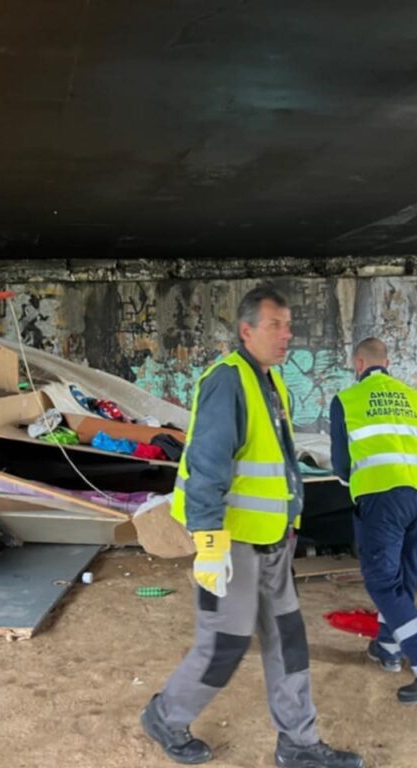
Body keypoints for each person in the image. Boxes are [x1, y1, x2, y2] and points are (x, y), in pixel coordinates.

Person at [141, 285, 364, 768]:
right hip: (233, 543)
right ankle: (165, 716)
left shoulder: (270, 382)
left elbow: (277, 465)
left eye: (289, 325)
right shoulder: (228, 381)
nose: (287, 335)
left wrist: (289, 524)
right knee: (224, 644)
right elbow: (207, 464)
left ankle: (298, 743)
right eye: (275, 325)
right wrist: (209, 544)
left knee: (289, 642)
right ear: (246, 331)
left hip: (273, 543)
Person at [329, 337, 417, 704]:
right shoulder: (415, 398)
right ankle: (387, 648)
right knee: (404, 575)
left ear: (358, 364)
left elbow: (341, 462)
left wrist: (352, 481)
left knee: (382, 581)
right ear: (386, 363)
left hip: (383, 494)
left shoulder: (347, 399)